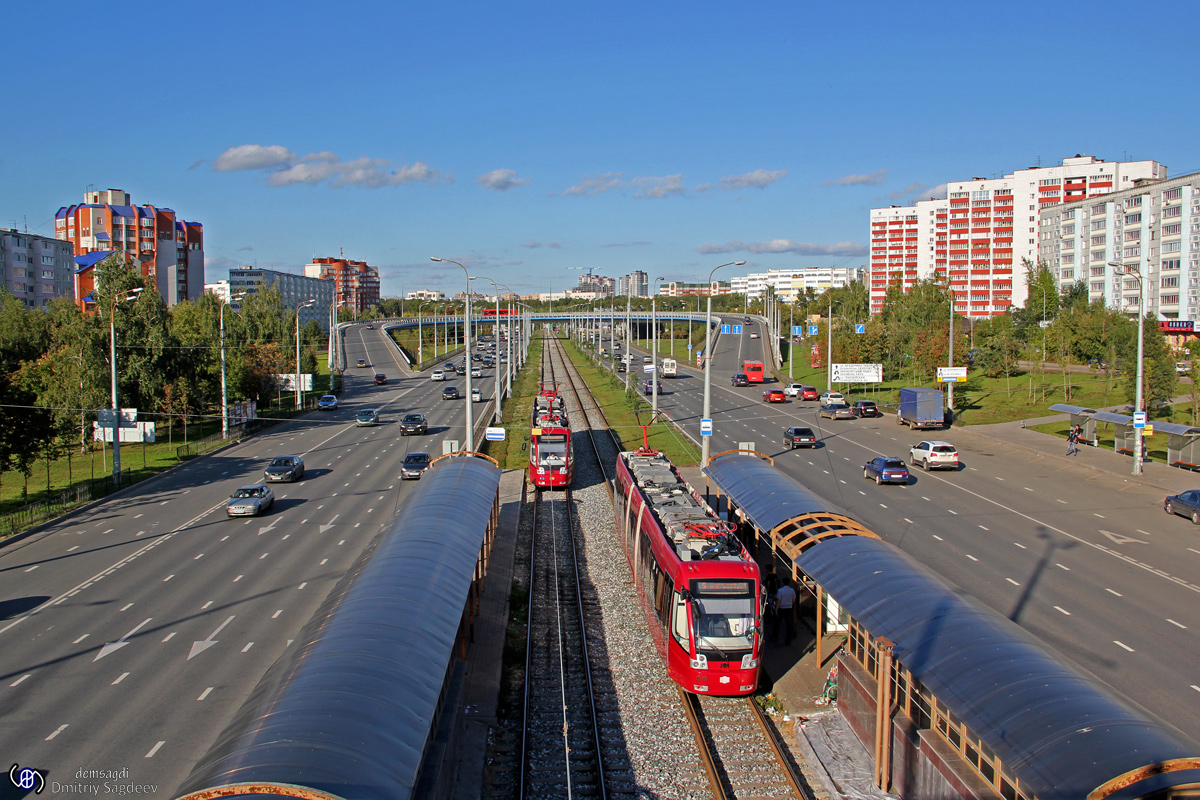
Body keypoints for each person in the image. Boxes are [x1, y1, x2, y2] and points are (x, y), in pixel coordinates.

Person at [773, 577, 797, 645]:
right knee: (788, 625)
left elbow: (779, 600)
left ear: (783, 583)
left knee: (777, 623)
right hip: (789, 608)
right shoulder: (792, 590)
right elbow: (794, 599)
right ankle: (788, 640)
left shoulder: (780, 590)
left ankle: (775, 637)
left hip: (781, 608)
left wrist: (776, 609)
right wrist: (790, 604)